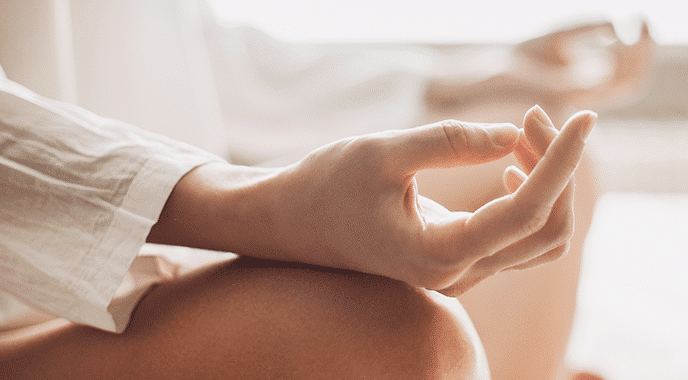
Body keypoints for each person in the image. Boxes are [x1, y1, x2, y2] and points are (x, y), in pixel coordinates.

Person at [0, 62, 596, 378]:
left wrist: (452, 79)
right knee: (402, 343)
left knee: (527, 171)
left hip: (148, 219)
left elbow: (191, 52)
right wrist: (253, 205)